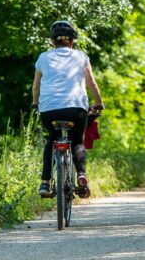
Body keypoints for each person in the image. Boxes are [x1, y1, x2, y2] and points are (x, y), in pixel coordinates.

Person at [32, 20, 104, 199]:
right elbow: (92, 83)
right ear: (72, 41)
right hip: (76, 108)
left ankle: (45, 182)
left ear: (52, 42)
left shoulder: (43, 58)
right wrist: (99, 103)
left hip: (49, 110)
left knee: (52, 139)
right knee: (77, 142)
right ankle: (81, 173)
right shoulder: (81, 56)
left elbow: (36, 87)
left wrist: (35, 103)